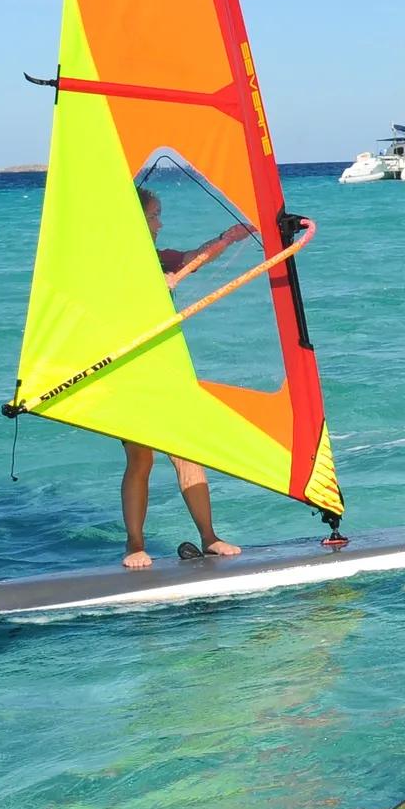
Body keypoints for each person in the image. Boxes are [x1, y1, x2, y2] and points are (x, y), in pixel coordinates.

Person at [121, 187, 254, 569]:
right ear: (135, 220)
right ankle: (134, 544)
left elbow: (192, 260)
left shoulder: (157, 258)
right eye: (154, 215)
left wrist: (227, 239)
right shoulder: (117, 263)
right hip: (132, 373)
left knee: (187, 451)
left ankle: (209, 537)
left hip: (169, 368)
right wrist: (150, 289)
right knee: (140, 458)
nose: (160, 222)